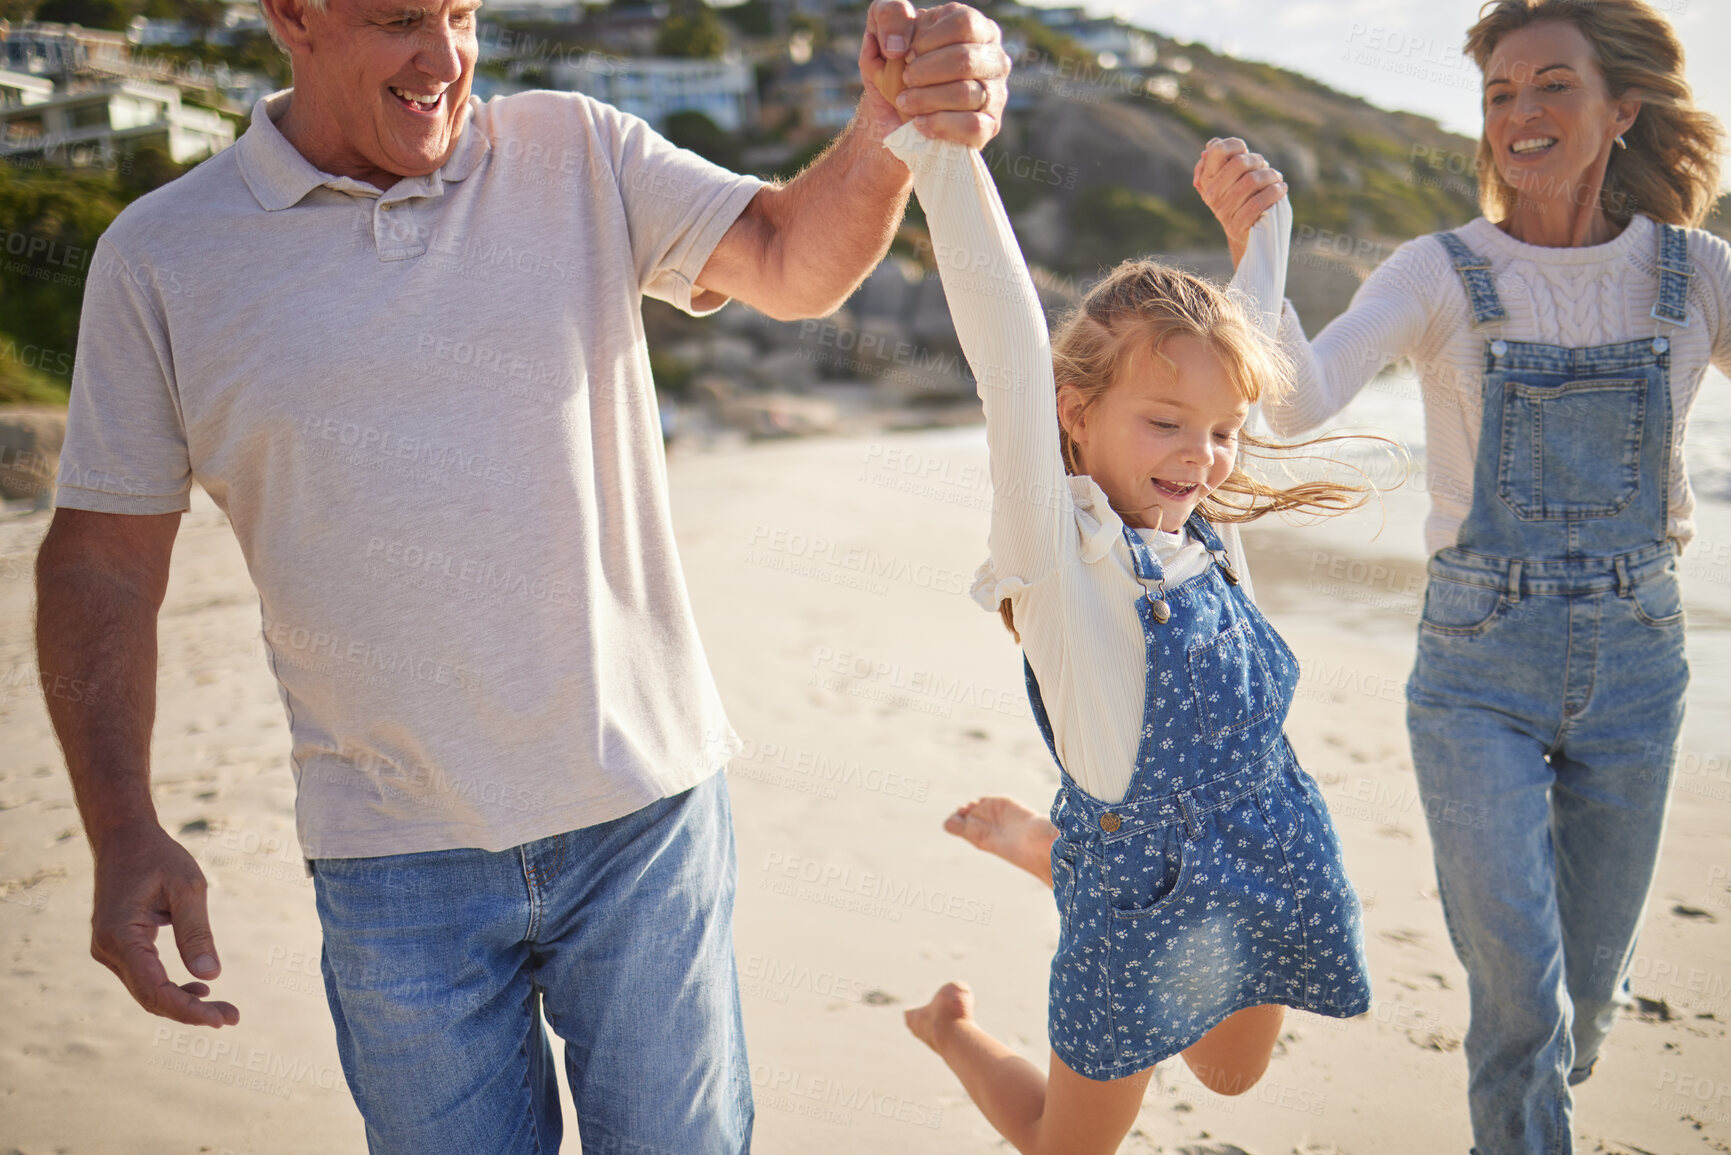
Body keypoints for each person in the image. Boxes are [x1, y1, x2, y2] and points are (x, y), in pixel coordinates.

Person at [31, 1, 1010, 1151]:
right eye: (402, 19)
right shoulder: (162, 256)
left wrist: (887, 126)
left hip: (642, 818)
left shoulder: (581, 150)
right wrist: (122, 827)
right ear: (292, 15)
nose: (444, 59)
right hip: (392, 862)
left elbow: (795, 261)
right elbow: (101, 560)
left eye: (462, 13)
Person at [1194, 2, 1731, 1151]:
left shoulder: (1697, 275)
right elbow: (1292, 399)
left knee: (1578, 1006)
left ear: (1621, 108)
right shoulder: (1441, 271)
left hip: (1641, 665)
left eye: (1550, 86)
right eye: (1500, 95)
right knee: (1519, 1003)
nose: (1520, 114)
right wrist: (1264, 240)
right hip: (1476, 666)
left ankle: (1562, 1063)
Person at [881, 85, 1374, 1155]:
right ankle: (953, 1028)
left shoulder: (1203, 531)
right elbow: (1007, 353)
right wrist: (941, 155)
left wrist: (1267, 234)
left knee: (1233, 1079)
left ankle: (1047, 849)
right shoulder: (1057, 557)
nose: (1199, 460)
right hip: (1137, 888)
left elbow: (1236, 363)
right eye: (1163, 423)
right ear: (1076, 412)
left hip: (1266, 837)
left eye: (1221, 433)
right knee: (1076, 1147)